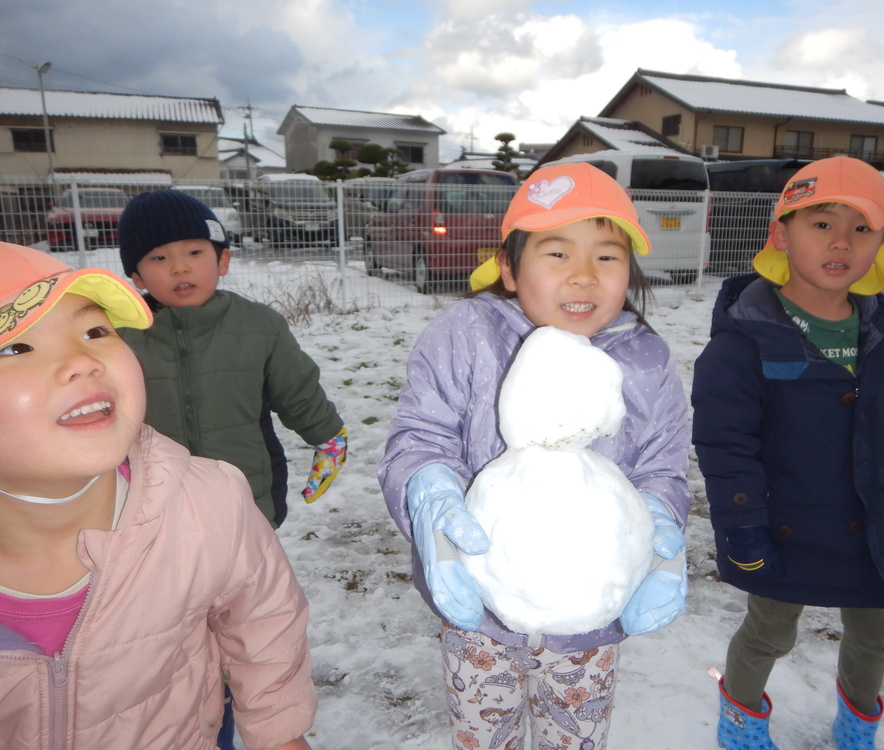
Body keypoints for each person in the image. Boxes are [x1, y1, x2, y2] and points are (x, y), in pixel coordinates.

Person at [378, 162, 691, 750]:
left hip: (589, 625)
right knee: (482, 737)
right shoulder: (465, 336)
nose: (583, 277)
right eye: (556, 254)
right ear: (509, 267)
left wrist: (660, 530)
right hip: (480, 612)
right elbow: (422, 435)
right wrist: (431, 501)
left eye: (607, 256)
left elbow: (662, 463)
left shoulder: (645, 361)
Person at [0, 242, 315, 750]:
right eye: (15, 346)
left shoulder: (212, 502)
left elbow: (263, 622)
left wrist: (278, 733)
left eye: (96, 331)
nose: (82, 360)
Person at [691, 156, 884, 750]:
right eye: (821, 224)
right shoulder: (747, 336)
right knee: (769, 631)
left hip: (866, 520)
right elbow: (726, 445)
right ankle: (741, 722)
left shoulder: (881, 331)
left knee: (876, 633)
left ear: (882, 241)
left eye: (862, 228)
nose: (842, 243)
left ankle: (857, 727)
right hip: (784, 523)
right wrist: (742, 527)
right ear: (782, 234)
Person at [115, 189, 347, 529]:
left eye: (194, 252)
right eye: (159, 258)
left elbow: (297, 390)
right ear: (137, 277)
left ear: (222, 260)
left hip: (245, 494)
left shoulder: (259, 325)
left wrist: (328, 438)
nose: (180, 267)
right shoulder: (122, 336)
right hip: (155, 504)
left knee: (248, 576)